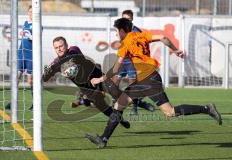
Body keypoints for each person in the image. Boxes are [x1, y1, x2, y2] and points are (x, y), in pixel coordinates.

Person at [86, 18, 222, 148]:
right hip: (143, 78)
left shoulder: (125, 44)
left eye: (116, 31)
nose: (116, 34)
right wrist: (175, 50)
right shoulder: (141, 35)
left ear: (122, 31)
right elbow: (164, 38)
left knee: (169, 112)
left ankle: (207, 109)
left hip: (149, 79)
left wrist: (100, 79)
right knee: (119, 105)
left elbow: (116, 68)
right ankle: (103, 139)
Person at [43, 36, 130, 129]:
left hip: (97, 77)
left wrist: (66, 68)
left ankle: (138, 101)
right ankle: (120, 119)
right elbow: (45, 78)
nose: (59, 49)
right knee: (103, 107)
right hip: (87, 88)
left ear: (66, 45)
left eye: (61, 46)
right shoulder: (56, 63)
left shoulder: (73, 49)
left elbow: (74, 57)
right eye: (56, 48)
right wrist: (47, 73)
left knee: (117, 93)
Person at [115, 9, 154, 115]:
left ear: (132, 19)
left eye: (128, 19)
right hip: (123, 59)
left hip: (132, 61)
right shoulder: (120, 29)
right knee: (115, 82)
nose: (126, 20)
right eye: (124, 18)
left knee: (132, 83)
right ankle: (119, 102)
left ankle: (134, 106)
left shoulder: (137, 31)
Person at [6, 5, 33, 110]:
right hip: (21, 53)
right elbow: (23, 36)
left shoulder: (38, 25)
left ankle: (35, 103)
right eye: (29, 11)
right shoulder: (26, 23)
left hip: (31, 55)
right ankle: (13, 102)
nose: (31, 13)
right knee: (16, 77)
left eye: (33, 12)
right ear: (28, 13)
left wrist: (27, 34)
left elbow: (35, 38)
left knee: (30, 80)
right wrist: (13, 37)